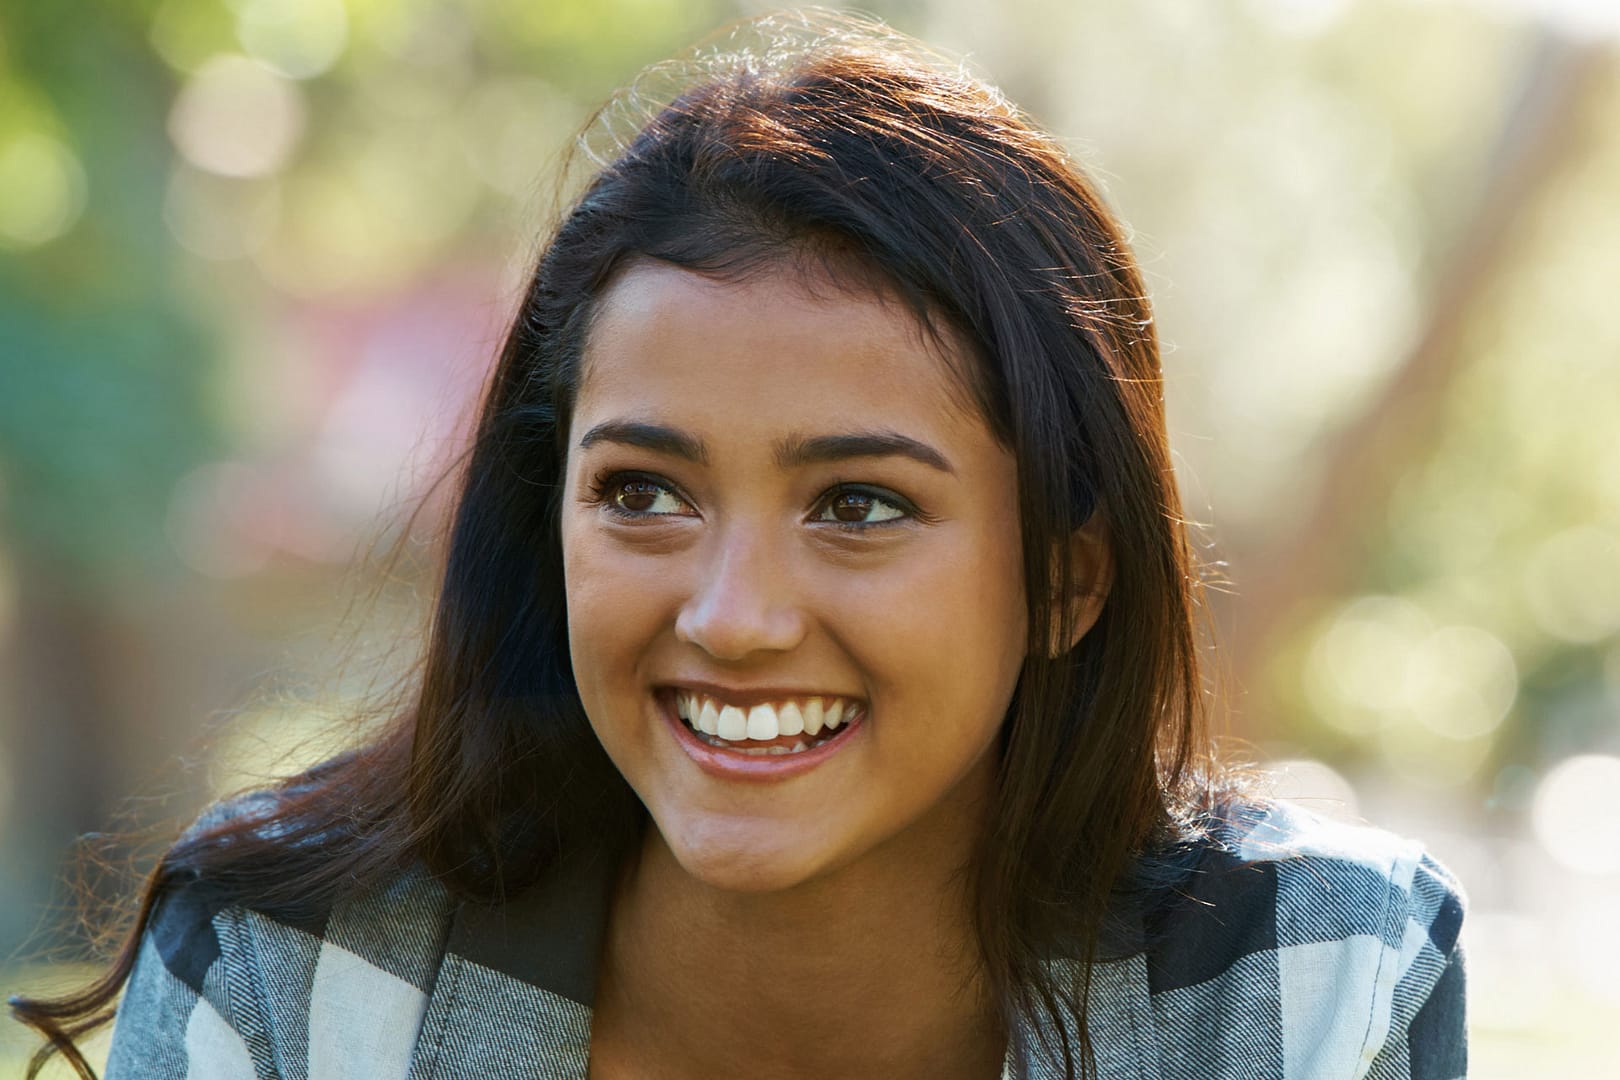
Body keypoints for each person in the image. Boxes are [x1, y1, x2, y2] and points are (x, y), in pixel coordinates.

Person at [11, 14, 1466, 1080]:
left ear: (1067, 579)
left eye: (860, 505)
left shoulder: (1304, 986)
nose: (735, 615)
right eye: (644, 494)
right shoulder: (301, 979)